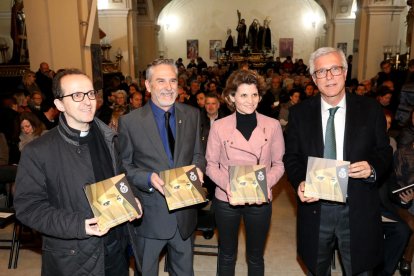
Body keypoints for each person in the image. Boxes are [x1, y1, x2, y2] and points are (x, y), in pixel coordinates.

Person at [14, 68, 142, 276]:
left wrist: (133, 198)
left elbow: (122, 177)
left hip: (116, 248)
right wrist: (79, 225)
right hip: (74, 256)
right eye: (76, 95)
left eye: (90, 93)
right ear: (59, 104)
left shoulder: (109, 138)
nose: (87, 101)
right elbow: (28, 208)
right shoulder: (38, 151)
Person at [283, 47, 392, 275]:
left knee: (361, 269)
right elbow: (291, 157)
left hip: (358, 205)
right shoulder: (300, 113)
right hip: (316, 207)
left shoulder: (370, 109)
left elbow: (384, 152)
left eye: (334, 69)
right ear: (313, 78)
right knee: (316, 268)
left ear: (345, 71)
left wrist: (372, 168)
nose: (329, 77)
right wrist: (299, 183)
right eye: (321, 72)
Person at [118, 58, 206, 276]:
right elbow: (123, 166)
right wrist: (147, 178)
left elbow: (197, 154)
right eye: (161, 81)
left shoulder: (192, 115)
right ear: (148, 86)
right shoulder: (130, 122)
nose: (168, 87)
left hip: (184, 213)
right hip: (150, 215)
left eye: (173, 81)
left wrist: (198, 169)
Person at [206, 69, 285, 276]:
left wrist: (266, 183)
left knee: (255, 256)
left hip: (260, 198)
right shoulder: (219, 127)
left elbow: (279, 163)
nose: (250, 101)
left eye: (254, 94)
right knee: (227, 254)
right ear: (232, 97)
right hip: (227, 198)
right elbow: (211, 165)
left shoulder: (273, 125)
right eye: (243, 95)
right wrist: (230, 184)